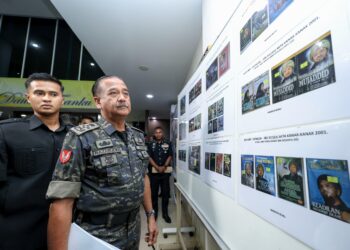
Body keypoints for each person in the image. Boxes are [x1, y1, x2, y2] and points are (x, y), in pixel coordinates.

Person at [46, 75, 158, 249]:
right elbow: (62, 201)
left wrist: (150, 215)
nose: (122, 98)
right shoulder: (81, 137)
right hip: (97, 234)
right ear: (98, 102)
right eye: (113, 93)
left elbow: (143, 178)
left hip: (133, 228)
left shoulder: (138, 136)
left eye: (126, 93)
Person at [0, 73, 71, 250]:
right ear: (28, 97)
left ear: (62, 99)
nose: (47, 98)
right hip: (18, 231)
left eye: (53, 94)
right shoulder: (7, 132)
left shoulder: (75, 136)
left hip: (67, 228)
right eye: (39, 93)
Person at [148, 127, 173, 223]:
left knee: (165, 194)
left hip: (165, 173)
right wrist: (157, 167)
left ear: (162, 133)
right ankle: (154, 213)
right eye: (156, 132)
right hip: (154, 173)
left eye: (160, 132)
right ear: (154, 134)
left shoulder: (168, 143)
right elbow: (149, 157)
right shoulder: (150, 144)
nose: (158, 134)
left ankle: (165, 213)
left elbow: (170, 155)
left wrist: (164, 166)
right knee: (153, 194)